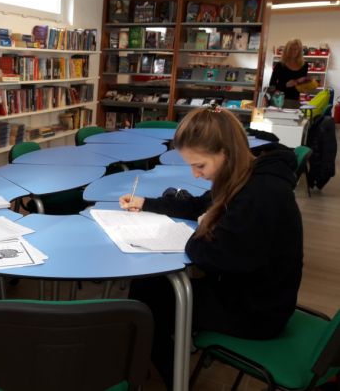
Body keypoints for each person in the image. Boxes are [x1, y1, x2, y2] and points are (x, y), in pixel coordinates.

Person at [119, 107, 303, 390]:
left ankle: (175, 380)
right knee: (149, 289)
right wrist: (147, 203)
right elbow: (200, 205)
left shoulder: (260, 195)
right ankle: (170, 353)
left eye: (200, 166)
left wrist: (202, 231)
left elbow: (212, 257)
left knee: (147, 303)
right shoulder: (244, 174)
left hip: (258, 311)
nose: (194, 175)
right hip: (250, 291)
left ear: (225, 153)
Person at [269, 38, 308, 108]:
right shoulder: (280, 65)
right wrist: (285, 85)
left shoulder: (304, 66)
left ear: (299, 51)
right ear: (286, 50)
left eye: (295, 49)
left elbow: (303, 85)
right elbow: (272, 86)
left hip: (295, 101)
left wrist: (304, 85)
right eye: (290, 49)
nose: (293, 51)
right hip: (280, 101)